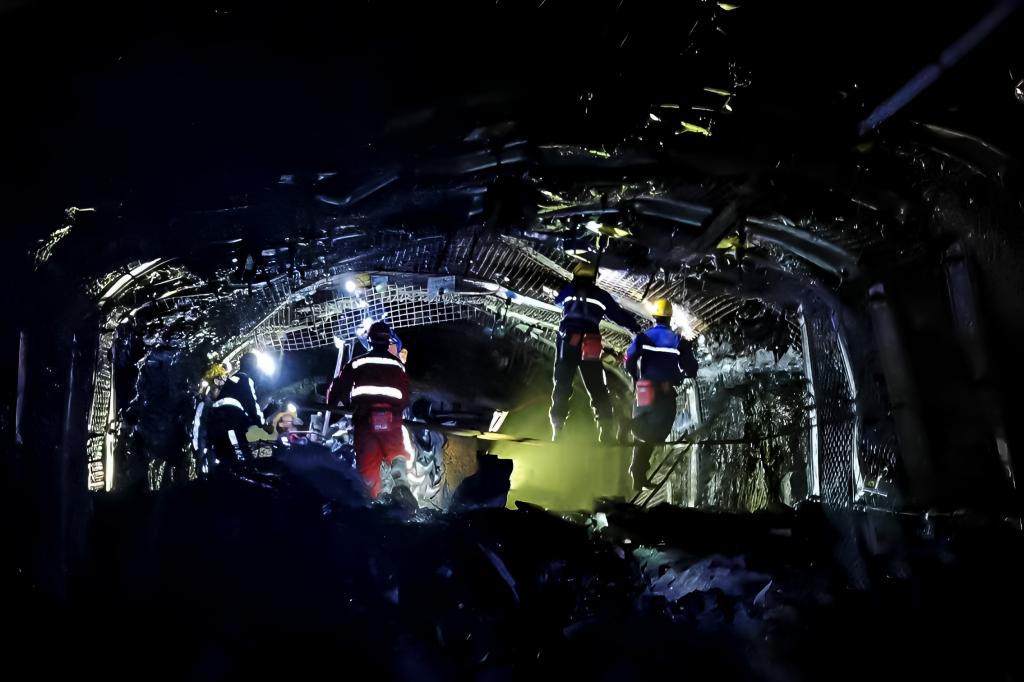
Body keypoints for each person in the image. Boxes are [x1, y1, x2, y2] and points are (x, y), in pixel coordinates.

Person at [550, 261, 641, 443]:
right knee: (597, 388)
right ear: (594, 278)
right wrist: (636, 327)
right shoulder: (601, 295)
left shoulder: (569, 290)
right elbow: (618, 315)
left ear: (576, 275)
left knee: (562, 385)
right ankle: (606, 432)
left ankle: (558, 430)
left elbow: (557, 300)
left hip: (568, 342)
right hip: (590, 344)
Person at [327, 322, 415, 505]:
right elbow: (406, 394)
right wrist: (398, 412)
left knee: (368, 465)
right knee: (396, 451)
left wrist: (337, 409)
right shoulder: (398, 365)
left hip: (364, 418)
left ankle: (371, 501)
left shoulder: (358, 362)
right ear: (388, 341)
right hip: (391, 418)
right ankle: (401, 484)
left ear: (370, 340)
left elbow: (338, 387)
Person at [624, 298, 699, 491]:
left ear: (654, 316)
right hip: (663, 392)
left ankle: (637, 475)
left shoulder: (643, 337)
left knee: (643, 431)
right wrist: (681, 376)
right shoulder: (678, 340)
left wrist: (636, 377)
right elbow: (691, 369)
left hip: (644, 388)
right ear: (670, 317)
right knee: (658, 432)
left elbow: (629, 360)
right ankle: (629, 427)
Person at [205, 353, 265, 469]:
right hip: (230, 421)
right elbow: (251, 404)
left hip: (217, 424)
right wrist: (260, 425)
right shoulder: (244, 378)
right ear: (252, 365)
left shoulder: (230, 382)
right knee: (241, 462)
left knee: (226, 459)